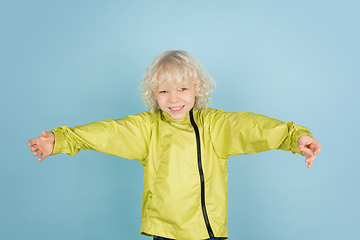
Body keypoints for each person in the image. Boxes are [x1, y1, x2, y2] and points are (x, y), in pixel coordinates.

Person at [27, 50, 322, 240]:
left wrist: (294, 137)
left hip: (208, 232)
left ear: (197, 91)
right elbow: (107, 133)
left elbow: (254, 128)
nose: (174, 98)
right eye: (164, 91)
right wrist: (60, 140)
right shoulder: (148, 128)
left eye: (183, 88)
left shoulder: (214, 125)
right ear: (154, 95)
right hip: (165, 231)